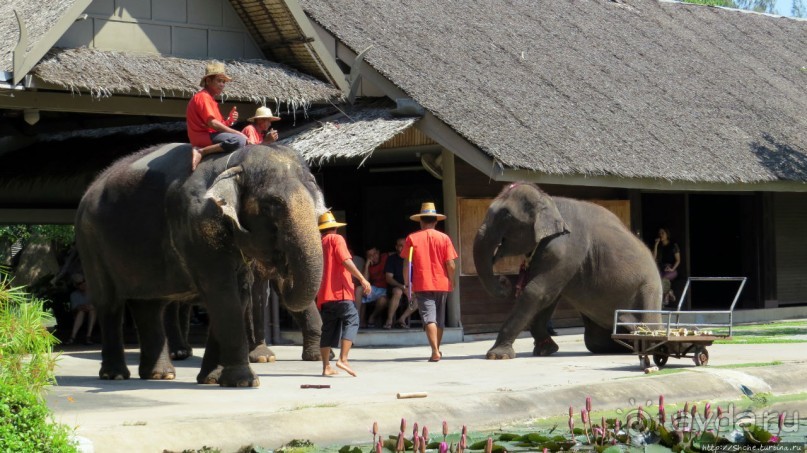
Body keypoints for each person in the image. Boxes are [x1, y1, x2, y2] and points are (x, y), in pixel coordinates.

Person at [316, 211, 371, 377]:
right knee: (352, 319)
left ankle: (326, 367)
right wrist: (362, 279)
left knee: (327, 329)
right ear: (335, 228)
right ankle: (343, 359)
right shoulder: (336, 239)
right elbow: (346, 261)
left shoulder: (319, 243)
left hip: (324, 295)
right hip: (340, 293)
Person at [403, 202, 458, 362]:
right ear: (436, 221)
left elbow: (407, 264)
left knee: (429, 318)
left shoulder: (412, 238)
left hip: (422, 284)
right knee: (439, 319)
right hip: (442, 283)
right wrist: (451, 280)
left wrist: (407, 285)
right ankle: (437, 350)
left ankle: (435, 350)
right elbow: (451, 264)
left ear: (421, 221)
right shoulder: (444, 238)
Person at [186, 61, 247, 170]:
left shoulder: (209, 99)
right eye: (219, 81)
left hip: (209, 134)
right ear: (208, 81)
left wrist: (229, 121)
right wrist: (237, 132)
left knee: (240, 138)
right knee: (239, 140)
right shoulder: (203, 97)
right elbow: (213, 124)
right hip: (202, 136)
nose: (222, 85)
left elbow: (217, 125)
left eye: (224, 82)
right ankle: (202, 151)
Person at [385, 237, 417, 329]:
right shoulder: (392, 259)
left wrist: (410, 287)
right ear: (396, 247)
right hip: (396, 286)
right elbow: (388, 278)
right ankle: (389, 320)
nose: (402, 248)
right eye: (399, 246)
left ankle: (402, 318)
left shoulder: (413, 259)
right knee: (398, 292)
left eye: (404, 246)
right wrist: (402, 287)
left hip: (410, 287)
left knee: (420, 297)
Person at [356, 246, 390, 328]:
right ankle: (356, 317)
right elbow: (365, 282)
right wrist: (367, 265)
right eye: (370, 255)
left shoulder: (385, 256)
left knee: (382, 301)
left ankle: (373, 317)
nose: (373, 256)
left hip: (386, 289)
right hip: (374, 289)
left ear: (378, 252)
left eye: (375, 253)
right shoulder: (368, 264)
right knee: (359, 289)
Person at [653, 227, 681, 308]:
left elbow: (678, 260)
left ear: (667, 234)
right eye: (659, 233)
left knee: (662, 279)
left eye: (662, 233)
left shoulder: (673, 245)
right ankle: (668, 293)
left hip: (672, 270)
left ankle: (667, 294)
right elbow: (654, 258)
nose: (660, 235)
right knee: (658, 280)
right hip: (661, 269)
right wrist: (656, 245)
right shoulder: (659, 246)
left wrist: (672, 269)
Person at [65, 273, 96, 345]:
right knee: (81, 312)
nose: (83, 284)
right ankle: (72, 337)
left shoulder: (94, 292)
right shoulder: (74, 295)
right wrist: (82, 307)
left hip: (94, 315)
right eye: (80, 283)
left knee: (93, 311)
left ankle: (88, 336)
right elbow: (74, 308)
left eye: (84, 281)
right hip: (80, 315)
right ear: (76, 286)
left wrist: (91, 307)